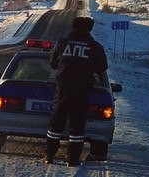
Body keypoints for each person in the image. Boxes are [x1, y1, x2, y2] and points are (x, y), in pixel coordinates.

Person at [43, 16, 108, 166]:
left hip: (63, 90)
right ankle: (72, 159)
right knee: (77, 126)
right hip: (82, 91)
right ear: (90, 29)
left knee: (56, 124)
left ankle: (49, 155)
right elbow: (102, 67)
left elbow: (53, 63)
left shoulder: (62, 43)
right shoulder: (94, 47)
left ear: (74, 27)